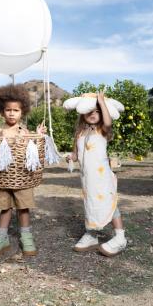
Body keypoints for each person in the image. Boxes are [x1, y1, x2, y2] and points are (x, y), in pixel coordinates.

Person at [0, 84, 46, 260]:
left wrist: (39, 134)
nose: (11, 113)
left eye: (15, 110)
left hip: (21, 175)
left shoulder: (24, 132)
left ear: (22, 112)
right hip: (2, 175)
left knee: (23, 206)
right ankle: (2, 237)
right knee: (4, 206)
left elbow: (31, 148)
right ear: (2, 111)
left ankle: (26, 235)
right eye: (8, 110)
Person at [65, 91, 127, 257]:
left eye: (97, 112)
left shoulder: (103, 130)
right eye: (90, 111)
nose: (93, 114)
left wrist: (101, 101)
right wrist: (71, 157)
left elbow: (108, 120)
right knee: (90, 205)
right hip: (88, 179)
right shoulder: (79, 133)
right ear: (83, 113)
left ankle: (120, 237)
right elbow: (76, 154)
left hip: (102, 178)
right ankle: (91, 235)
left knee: (109, 204)